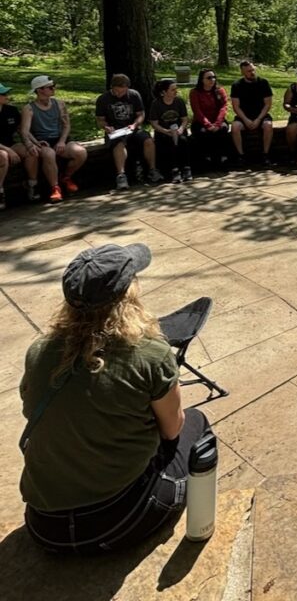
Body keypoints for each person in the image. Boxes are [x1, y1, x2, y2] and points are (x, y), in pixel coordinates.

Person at [19, 242, 214, 554]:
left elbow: (32, 409)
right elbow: (172, 429)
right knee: (196, 422)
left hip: (44, 527)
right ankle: (203, 526)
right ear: (128, 293)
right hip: (119, 523)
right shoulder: (149, 352)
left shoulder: (39, 351)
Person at [18, 76, 88, 204]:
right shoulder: (29, 109)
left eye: (53, 86)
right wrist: (33, 143)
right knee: (49, 154)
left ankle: (66, 177)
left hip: (60, 139)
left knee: (80, 152)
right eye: (50, 87)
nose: (53, 89)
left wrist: (62, 141)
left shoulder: (59, 104)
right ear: (40, 90)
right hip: (42, 141)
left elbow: (66, 125)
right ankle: (55, 188)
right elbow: (25, 131)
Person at [95, 74, 164, 191]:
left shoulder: (134, 95)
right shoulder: (103, 99)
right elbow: (100, 120)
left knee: (148, 140)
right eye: (116, 91)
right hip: (115, 131)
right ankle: (121, 175)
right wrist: (106, 127)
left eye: (122, 92)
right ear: (112, 87)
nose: (119, 94)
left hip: (131, 128)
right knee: (119, 144)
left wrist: (135, 124)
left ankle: (152, 170)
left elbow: (141, 114)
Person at [230, 60, 274, 166]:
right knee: (235, 127)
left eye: (253, 70)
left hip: (261, 115)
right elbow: (236, 107)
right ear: (243, 72)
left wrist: (258, 119)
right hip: (244, 116)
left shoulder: (263, 83)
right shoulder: (236, 85)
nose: (252, 73)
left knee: (268, 125)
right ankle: (241, 156)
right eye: (249, 71)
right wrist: (246, 120)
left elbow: (267, 104)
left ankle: (265, 154)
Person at [149, 78, 193, 184]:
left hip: (178, 131)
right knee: (169, 143)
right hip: (164, 133)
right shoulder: (156, 104)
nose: (175, 91)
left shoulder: (179, 101)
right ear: (164, 92)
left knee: (183, 141)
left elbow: (184, 119)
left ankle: (186, 168)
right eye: (172, 90)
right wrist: (165, 131)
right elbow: (154, 123)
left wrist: (181, 128)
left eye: (176, 89)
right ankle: (174, 170)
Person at [189, 68, 231, 169]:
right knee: (203, 132)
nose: (212, 80)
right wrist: (207, 125)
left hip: (217, 121)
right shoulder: (195, 93)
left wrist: (217, 124)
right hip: (200, 122)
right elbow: (197, 111)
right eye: (209, 78)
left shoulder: (220, 91)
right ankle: (205, 158)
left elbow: (223, 107)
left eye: (214, 77)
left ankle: (222, 158)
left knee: (223, 129)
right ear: (202, 80)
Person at [0, 82, 29, 210]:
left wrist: (32, 143)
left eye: (7, 93)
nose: (7, 96)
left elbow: (21, 130)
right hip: (3, 149)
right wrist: (7, 150)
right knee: (3, 157)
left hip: (10, 144)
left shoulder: (11, 110)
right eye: (3, 94)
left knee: (30, 152)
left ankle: (32, 185)